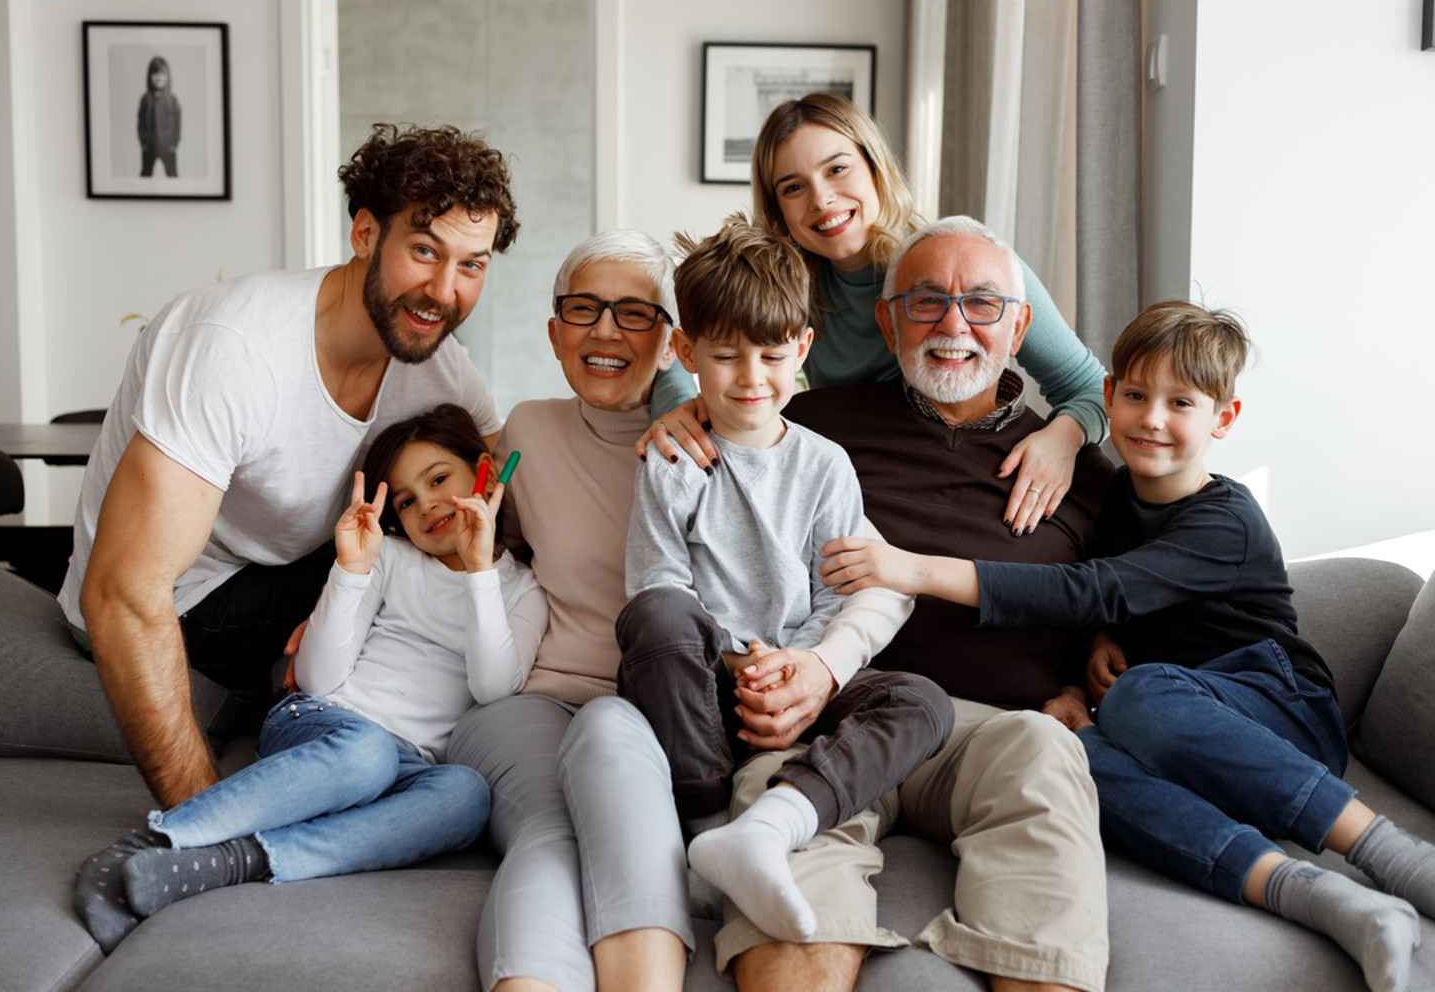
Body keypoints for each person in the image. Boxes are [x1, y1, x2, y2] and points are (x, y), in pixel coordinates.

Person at [826, 300, 1435, 992]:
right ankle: (1322, 898)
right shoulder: (1114, 497)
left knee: (1144, 693)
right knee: (1066, 754)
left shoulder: (1226, 519)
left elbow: (1099, 588)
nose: (1152, 419)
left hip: (1278, 715)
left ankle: (1392, 855)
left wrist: (917, 569)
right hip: (1167, 737)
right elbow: (1113, 604)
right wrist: (1084, 666)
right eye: (1138, 396)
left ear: (1223, 419)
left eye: (1182, 403)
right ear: (1109, 397)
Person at [442, 230, 911, 992]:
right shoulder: (525, 431)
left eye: (633, 314)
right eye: (584, 310)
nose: (604, 331)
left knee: (618, 769)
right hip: (554, 691)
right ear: (554, 330)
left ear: (668, 342)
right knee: (552, 828)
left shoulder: (731, 440)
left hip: (671, 705)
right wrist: (359, 591)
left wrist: (813, 667)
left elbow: (870, 577)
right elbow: (458, 517)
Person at [60, 123, 518, 810]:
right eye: (424, 251)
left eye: (471, 265)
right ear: (364, 234)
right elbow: (123, 596)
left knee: (438, 553)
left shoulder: (442, 372)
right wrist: (204, 817)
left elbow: (513, 489)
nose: (443, 291)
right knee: (387, 569)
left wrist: (678, 417)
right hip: (184, 597)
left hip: (289, 576)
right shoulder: (234, 346)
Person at [721, 215, 1115, 992]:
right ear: (887, 318)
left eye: (982, 303)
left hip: (991, 732)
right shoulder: (807, 427)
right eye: (927, 300)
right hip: (834, 711)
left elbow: (1118, 590)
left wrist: (1089, 671)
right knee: (780, 826)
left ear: (1020, 324)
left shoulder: (1077, 465)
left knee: (1045, 752)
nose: (954, 324)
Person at [76, 404, 544, 953]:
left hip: (411, 762)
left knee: (466, 795)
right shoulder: (389, 557)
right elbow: (319, 679)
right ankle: (150, 843)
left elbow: (492, 689)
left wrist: (480, 569)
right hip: (325, 724)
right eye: (407, 501)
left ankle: (232, 861)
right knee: (365, 753)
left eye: (439, 479)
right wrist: (351, 569)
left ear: (485, 472)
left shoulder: (521, 590)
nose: (427, 505)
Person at [615, 215, 952, 944]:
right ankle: (705, 828)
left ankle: (773, 823)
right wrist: (740, 659)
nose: (751, 378)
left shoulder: (824, 464)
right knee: (658, 620)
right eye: (727, 356)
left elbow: (838, 591)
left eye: (771, 356)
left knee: (922, 702)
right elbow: (658, 585)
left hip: (798, 682)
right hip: (703, 691)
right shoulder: (673, 460)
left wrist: (798, 665)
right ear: (687, 353)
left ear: (801, 349)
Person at [641, 92, 1107, 537]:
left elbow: (1092, 386)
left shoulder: (961, 265)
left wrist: (1062, 439)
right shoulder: (793, 285)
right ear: (779, 209)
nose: (821, 200)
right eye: (793, 187)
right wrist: (681, 403)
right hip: (864, 481)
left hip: (963, 468)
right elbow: (677, 338)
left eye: (838, 169)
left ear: (875, 168)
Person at [137, 56, 180, 178]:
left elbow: (177, 124)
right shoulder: (145, 99)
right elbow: (140, 123)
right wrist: (143, 142)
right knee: (145, 173)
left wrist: (174, 143)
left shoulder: (172, 100)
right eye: (155, 74)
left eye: (162, 74)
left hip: (168, 145)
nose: (159, 78)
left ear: (168, 77)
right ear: (149, 76)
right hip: (149, 145)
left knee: (172, 175)